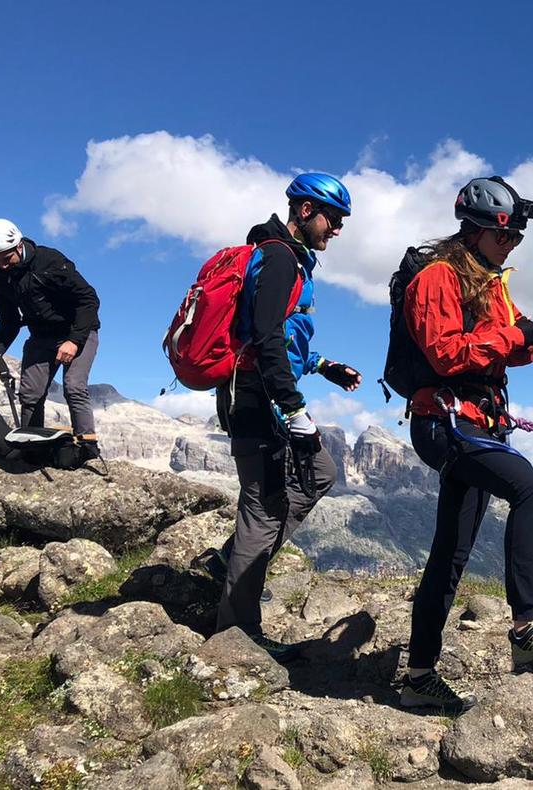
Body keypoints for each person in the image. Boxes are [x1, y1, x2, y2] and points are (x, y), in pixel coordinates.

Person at [399, 176, 533, 712]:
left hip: (477, 421)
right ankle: (526, 630)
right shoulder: (438, 278)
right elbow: (444, 354)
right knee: (529, 488)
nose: (510, 246)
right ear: (475, 230)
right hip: (447, 423)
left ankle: (418, 677)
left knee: (451, 552)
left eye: (516, 240)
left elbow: (520, 349)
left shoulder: (488, 280)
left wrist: (517, 338)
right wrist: (512, 336)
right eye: (503, 237)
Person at [212, 173, 363, 658]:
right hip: (258, 400)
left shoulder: (290, 257)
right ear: (305, 211)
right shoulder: (278, 257)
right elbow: (267, 337)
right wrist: (294, 407)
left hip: (264, 394)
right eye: (333, 219)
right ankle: (235, 637)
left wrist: (324, 365)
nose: (337, 228)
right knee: (263, 509)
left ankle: (234, 563)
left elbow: (286, 337)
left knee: (320, 473)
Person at [0, 219, 103, 461]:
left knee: (74, 387)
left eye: (5, 258)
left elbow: (89, 300)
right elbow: (9, 319)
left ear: (18, 246)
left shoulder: (50, 261)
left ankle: (87, 450)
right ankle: (33, 448)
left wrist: (74, 340)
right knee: (30, 394)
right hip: (41, 336)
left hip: (78, 330)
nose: (1, 265)